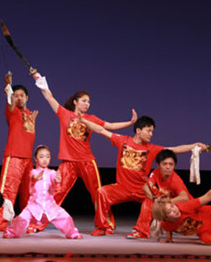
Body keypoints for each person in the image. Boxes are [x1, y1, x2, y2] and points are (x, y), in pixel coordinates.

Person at [29, 71, 137, 232]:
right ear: (75, 102)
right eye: (84, 101)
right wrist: (39, 78)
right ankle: (38, 224)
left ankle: (106, 224)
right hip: (68, 162)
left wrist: (130, 123)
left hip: (87, 161)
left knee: (98, 193)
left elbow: (109, 126)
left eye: (88, 102)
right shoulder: (64, 114)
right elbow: (48, 96)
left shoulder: (91, 119)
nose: (87, 104)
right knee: (56, 192)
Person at [81, 115, 207, 236]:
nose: (151, 134)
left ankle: (141, 232)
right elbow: (101, 130)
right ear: (138, 130)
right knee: (101, 192)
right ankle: (103, 227)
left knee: (151, 200)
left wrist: (194, 146)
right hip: (122, 188)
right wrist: (84, 121)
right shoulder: (122, 141)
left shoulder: (151, 148)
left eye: (152, 131)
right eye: (148, 131)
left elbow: (174, 149)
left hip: (142, 190)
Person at [0, 74, 38, 231]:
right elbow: (10, 103)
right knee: (8, 191)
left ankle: (27, 222)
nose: (19, 98)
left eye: (22, 95)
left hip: (28, 159)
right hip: (14, 156)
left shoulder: (29, 114)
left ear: (27, 98)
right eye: (16, 96)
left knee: (29, 194)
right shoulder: (13, 111)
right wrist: (7, 86)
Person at [3, 145, 82, 239]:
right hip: (34, 206)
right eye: (41, 157)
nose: (45, 159)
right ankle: (11, 233)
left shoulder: (52, 173)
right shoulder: (33, 172)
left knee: (66, 217)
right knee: (22, 218)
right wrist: (37, 177)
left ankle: (73, 234)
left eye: (47, 156)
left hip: (50, 206)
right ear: (36, 159)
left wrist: (57, 180)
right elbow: (33, 177)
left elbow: (55, 182)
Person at [128, 148, 192, 239]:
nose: (168, 167)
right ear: (158, 165)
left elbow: (185, 197)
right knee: (149, 200)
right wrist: (155, 199)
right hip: (172, 209)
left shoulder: (175, 180)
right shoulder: (156, 173)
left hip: (187, 214)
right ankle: (141, 232)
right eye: (165, 164)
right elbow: (145, 187)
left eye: (171, 164)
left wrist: (165, 202)